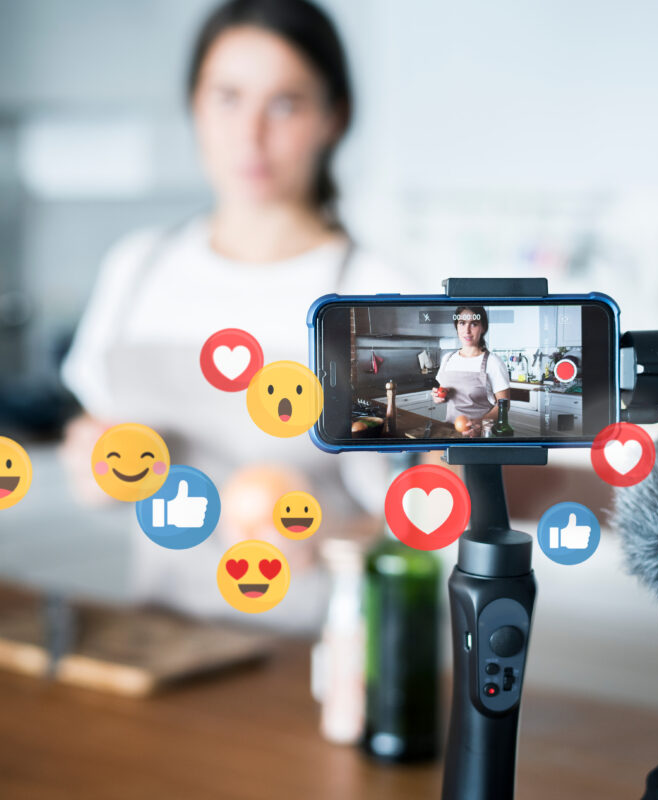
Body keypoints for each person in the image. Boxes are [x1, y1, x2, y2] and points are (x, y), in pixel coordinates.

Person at [59, 0, 410, 630]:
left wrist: (328, 535)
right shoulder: (138, 269)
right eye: (227, 98)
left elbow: (425, 516)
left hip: (324, 660)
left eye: (285, 104)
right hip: (162, 643)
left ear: (335, 117)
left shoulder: (378, 295)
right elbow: (98, 446)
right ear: (194, 106)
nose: (250, 134)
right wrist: (96, 473)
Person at [431, 306, 510, 424]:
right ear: (456, 326)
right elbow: (444, 393)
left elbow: (504, 405)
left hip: (481, 435)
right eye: (462, 323)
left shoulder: (493, 362)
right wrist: (438, 397)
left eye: (474, 324)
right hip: (450, 432)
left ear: (483, 328)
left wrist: (480, 423)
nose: (467, 330)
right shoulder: (447, 359)